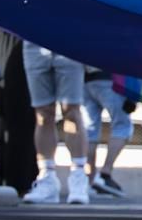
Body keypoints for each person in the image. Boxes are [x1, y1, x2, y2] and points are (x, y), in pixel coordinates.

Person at [18, 42, 92, 205]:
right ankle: (47, 178)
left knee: (71, 110)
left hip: (67, 40)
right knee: (43, 113)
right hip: (34, 43)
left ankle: (78, 176)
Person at [83, 66, 132, 198]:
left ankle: (90, 180)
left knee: (90, 130)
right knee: (122, 125)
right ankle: (105, 174)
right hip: (111, 77)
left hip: (86, 79)